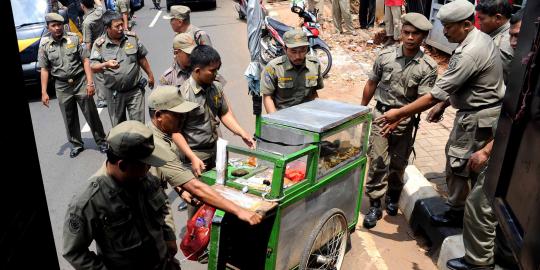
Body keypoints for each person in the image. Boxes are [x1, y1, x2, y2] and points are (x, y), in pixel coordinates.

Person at [376, 0, 505, 227]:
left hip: (476, 119)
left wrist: (398, 114)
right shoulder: (479, 39)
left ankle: (458, 215)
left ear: (466, 24)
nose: (444, 31)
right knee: (467, 166)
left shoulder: (470, 52)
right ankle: (464, 213)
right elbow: (460, 85)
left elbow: (434, 94)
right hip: (479, 114)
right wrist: (443, 105)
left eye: (448, 26)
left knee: (459, 165)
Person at [446, 10, 523, 270]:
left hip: (512, 149)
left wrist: (487, 151)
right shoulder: (522, 63)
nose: (513, 42)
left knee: (481, 203)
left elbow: (516, 117)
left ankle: (479, 264)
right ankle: (501, 254)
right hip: (508, 144)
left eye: (519, 37)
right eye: (512, 37)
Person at [62, 120, 180, 270]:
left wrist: (169, 236)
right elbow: (74, 252)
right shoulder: (90, 200)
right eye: (145, 163)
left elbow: (163, 205)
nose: (149, 168)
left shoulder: (144, 178)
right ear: (123, 165)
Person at [361, 13, 438, 229]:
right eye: (407, 33)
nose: (411, 38)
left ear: (424, 36)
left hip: (405, 121)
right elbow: (371, 83)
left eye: (416, 34)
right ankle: (375, 204)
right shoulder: (385, 56)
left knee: (398, 163)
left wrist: (401, 117)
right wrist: (360, 110)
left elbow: (424, 100)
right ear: (401, 33)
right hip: (381, 116)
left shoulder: (428, 67)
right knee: (377, 160)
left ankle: (393, 197)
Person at [147, 86, 263, 225]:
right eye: (177, 115)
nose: (182, 118)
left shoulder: (162, 134)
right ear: (159, 116)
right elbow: (196, 187)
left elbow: (169, 171)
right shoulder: (156, 143)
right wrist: (240, 211)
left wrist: (181, 190)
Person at [174, 45, 255, 177]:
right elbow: (175, 132)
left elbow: (224, 113)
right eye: (212, 71)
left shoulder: (216, 87)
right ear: (197, 71)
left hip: (217, 151)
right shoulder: (182, 95)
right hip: (195, 157)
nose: (216, 74)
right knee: (199, 195)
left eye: (218, 69)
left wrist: (242, 133)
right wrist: (192, 157)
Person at [38, 13, 108, 158]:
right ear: (48, 27)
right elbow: (44, 69)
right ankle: (76, 144)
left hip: (80, 81)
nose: (57, 28)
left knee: (91, 113)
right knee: (68, 116)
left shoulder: (74, 38)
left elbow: (86, 61)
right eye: (53, 26)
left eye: (59, 25)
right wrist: (44, 92)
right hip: (62, 86)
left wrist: (90, 83)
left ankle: (101, 141)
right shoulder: (45, 45)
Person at [90, 10, 155, 127]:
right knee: (119, 129)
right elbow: (93, 67)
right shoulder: (99, 44)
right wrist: (106, 64)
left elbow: (141, 57)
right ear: (107, 28)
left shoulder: (131, 38)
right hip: (115, 94)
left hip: (135, 91)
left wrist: (150, 75)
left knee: (139, 127)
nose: (121, 28)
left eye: (121, 24)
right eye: (117, 26)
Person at [260, 28, 324, 114]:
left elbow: (313, 93)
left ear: (307, 49)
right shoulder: (273, 68)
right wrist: (276, 121)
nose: (298, 56)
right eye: (293, 51)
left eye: (302, 50)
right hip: (283, 117)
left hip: (307, 117)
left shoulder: (314, 64)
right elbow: (268, 97)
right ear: (285, 49)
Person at [475, 0, 513, 82]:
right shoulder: (499, 31)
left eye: (482, 19)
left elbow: (495, 81)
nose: (479, 23)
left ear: (498, 18)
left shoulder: (504, 44)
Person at [81, 0, 107, 108]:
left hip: (96, 49)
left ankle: (102, 99)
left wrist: (87, 58)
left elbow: (88, 44)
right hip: (106, 43)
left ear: (82, 6)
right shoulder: (100, 11)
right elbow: (100, 4)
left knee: (98, 74)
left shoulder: (87, 22)